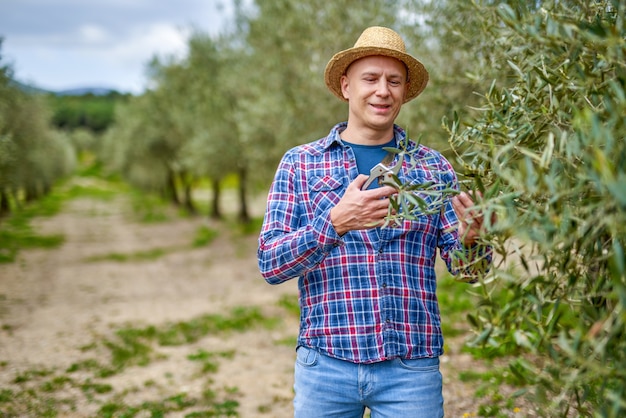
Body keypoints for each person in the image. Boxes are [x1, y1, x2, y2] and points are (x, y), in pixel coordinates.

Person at [257, 26, 491, 418]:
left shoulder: (434, 168)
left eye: (393, 81)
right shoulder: (300, 163)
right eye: (371, 78)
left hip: (410, 371)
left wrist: (471, 241)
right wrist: (334, 222)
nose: (383, 90)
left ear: (403, 92)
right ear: (346, 86)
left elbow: (471, 272)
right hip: (324, 366)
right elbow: (270, 263)